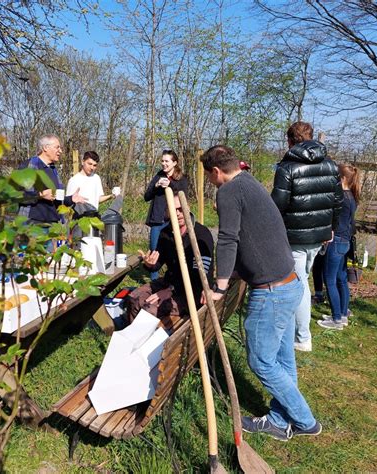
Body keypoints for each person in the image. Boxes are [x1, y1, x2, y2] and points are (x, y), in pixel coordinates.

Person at [200, 145, 321, 441]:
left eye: (209, 177)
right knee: (282, 359)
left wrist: (221, 285)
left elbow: (228, 238)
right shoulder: (250, 182)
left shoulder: (228, 191)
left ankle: (305, 421)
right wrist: (242, 270)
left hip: (272, 293)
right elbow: (250, 235)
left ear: (216, 171)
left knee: (261, 361)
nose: (211, 183)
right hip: (290, 282)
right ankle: (280, 421)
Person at [271, 121, 343, 352]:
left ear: (290, 141)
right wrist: (331, 228)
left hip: (295, 236)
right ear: (311, 138)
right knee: (303, 280)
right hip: (319, 236)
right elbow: (337, 202)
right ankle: (295, 330)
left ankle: (302, 337)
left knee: (299, 286)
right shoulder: (331, 166)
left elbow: (277, 205)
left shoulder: (287, 168)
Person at [127, 193, 213, 324]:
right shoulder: (166, 233)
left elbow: (199, 277)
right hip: (169, 282)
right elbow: (158, 263)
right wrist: (150, 264)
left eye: (180, 209)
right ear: (167, 211)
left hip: (192, 291)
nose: (177, 213)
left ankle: (151, 341)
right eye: (173, 210)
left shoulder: (201, 235)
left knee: (149, 309)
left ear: (188, 208)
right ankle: (131, 338)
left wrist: (170, 291)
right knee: (134, 298)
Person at [318, 163, 360, 330]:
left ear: (341, 178)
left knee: (329, 279)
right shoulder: (352, 196)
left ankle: (336, 319)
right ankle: (342, 314)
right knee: (341, 279)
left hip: (336, 241)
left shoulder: (340, 197)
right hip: (346, 241)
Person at [144, 150, 188, 280]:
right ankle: (154, 282)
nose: (164, 163)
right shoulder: (158, 176)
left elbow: (183, 196)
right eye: (162, 161)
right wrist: (156, 186)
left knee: (176, 252)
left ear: (174, 162)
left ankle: (174, 280)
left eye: (167, 161)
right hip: (157, 221)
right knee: (154, 254)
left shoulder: (181, 178)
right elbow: (146, 196)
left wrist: (171, 185)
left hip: (174, 221)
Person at [18, 134, 65, 227]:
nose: (60, 151)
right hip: (32, 224)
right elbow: (19, 195)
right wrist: (41, 195)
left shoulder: (53, 169)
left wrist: (71, 199)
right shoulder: (29, 166)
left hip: (52, 225)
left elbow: (56, 197)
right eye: (57, 147)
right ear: (46, 148)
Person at [65, 151, 119, 218]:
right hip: (79, 219)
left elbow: (98, 199)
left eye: (94, 165)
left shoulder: (96, 178)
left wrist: (111, 196)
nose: (92, 167)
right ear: (83, 162)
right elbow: (68, 204)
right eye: (89, 164)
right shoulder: (74, 180)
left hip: (94, 217)